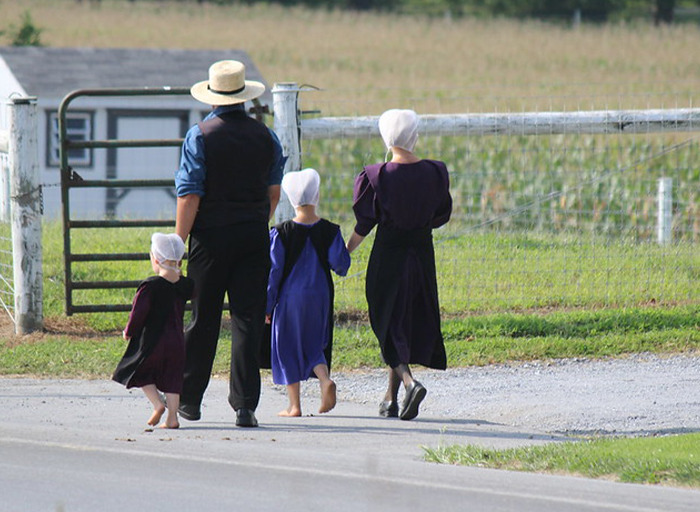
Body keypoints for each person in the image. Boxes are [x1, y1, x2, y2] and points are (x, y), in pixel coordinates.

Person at [174, 60, 286, 428]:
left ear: (213, 97)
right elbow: (273, 193)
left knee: (203, 318)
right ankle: (245, 405)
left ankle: (190, 400)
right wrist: (256, 221)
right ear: (243, 96)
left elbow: (190, 195)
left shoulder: (200, 136)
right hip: (253, 236)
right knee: (248, 319)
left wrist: (178, 241)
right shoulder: (266, 136)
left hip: (210, 237)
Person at [346, 109, 452, 421]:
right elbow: (441, 215)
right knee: (403, 320)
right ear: (415, 136)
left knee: (386, 321)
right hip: (421, 253)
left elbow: (364, 224)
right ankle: (390, 398)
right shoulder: (435, 173)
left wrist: (345, 251)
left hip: (388, 255)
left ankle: (409, 382)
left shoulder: (376, 177)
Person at [265, 168, 351, 417]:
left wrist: (267, 306)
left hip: (290, 298)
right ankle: (325, 381)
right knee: (315, 343)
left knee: (287, 345)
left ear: (289, 198)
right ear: (318, 195)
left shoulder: (280, 233)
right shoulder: (331, 230)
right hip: (320, 295)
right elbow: (341, 266)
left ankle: (294, 405)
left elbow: (274, 273)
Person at [113, 233, 194, 429]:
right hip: (177, 340)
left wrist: (129, 331)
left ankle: (158, 404)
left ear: (155, 259)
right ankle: (173, 418)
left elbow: (138, 313)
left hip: (153, 340)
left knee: (142, 372)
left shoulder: (150, 287)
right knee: (173, 378)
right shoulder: (185, 285)